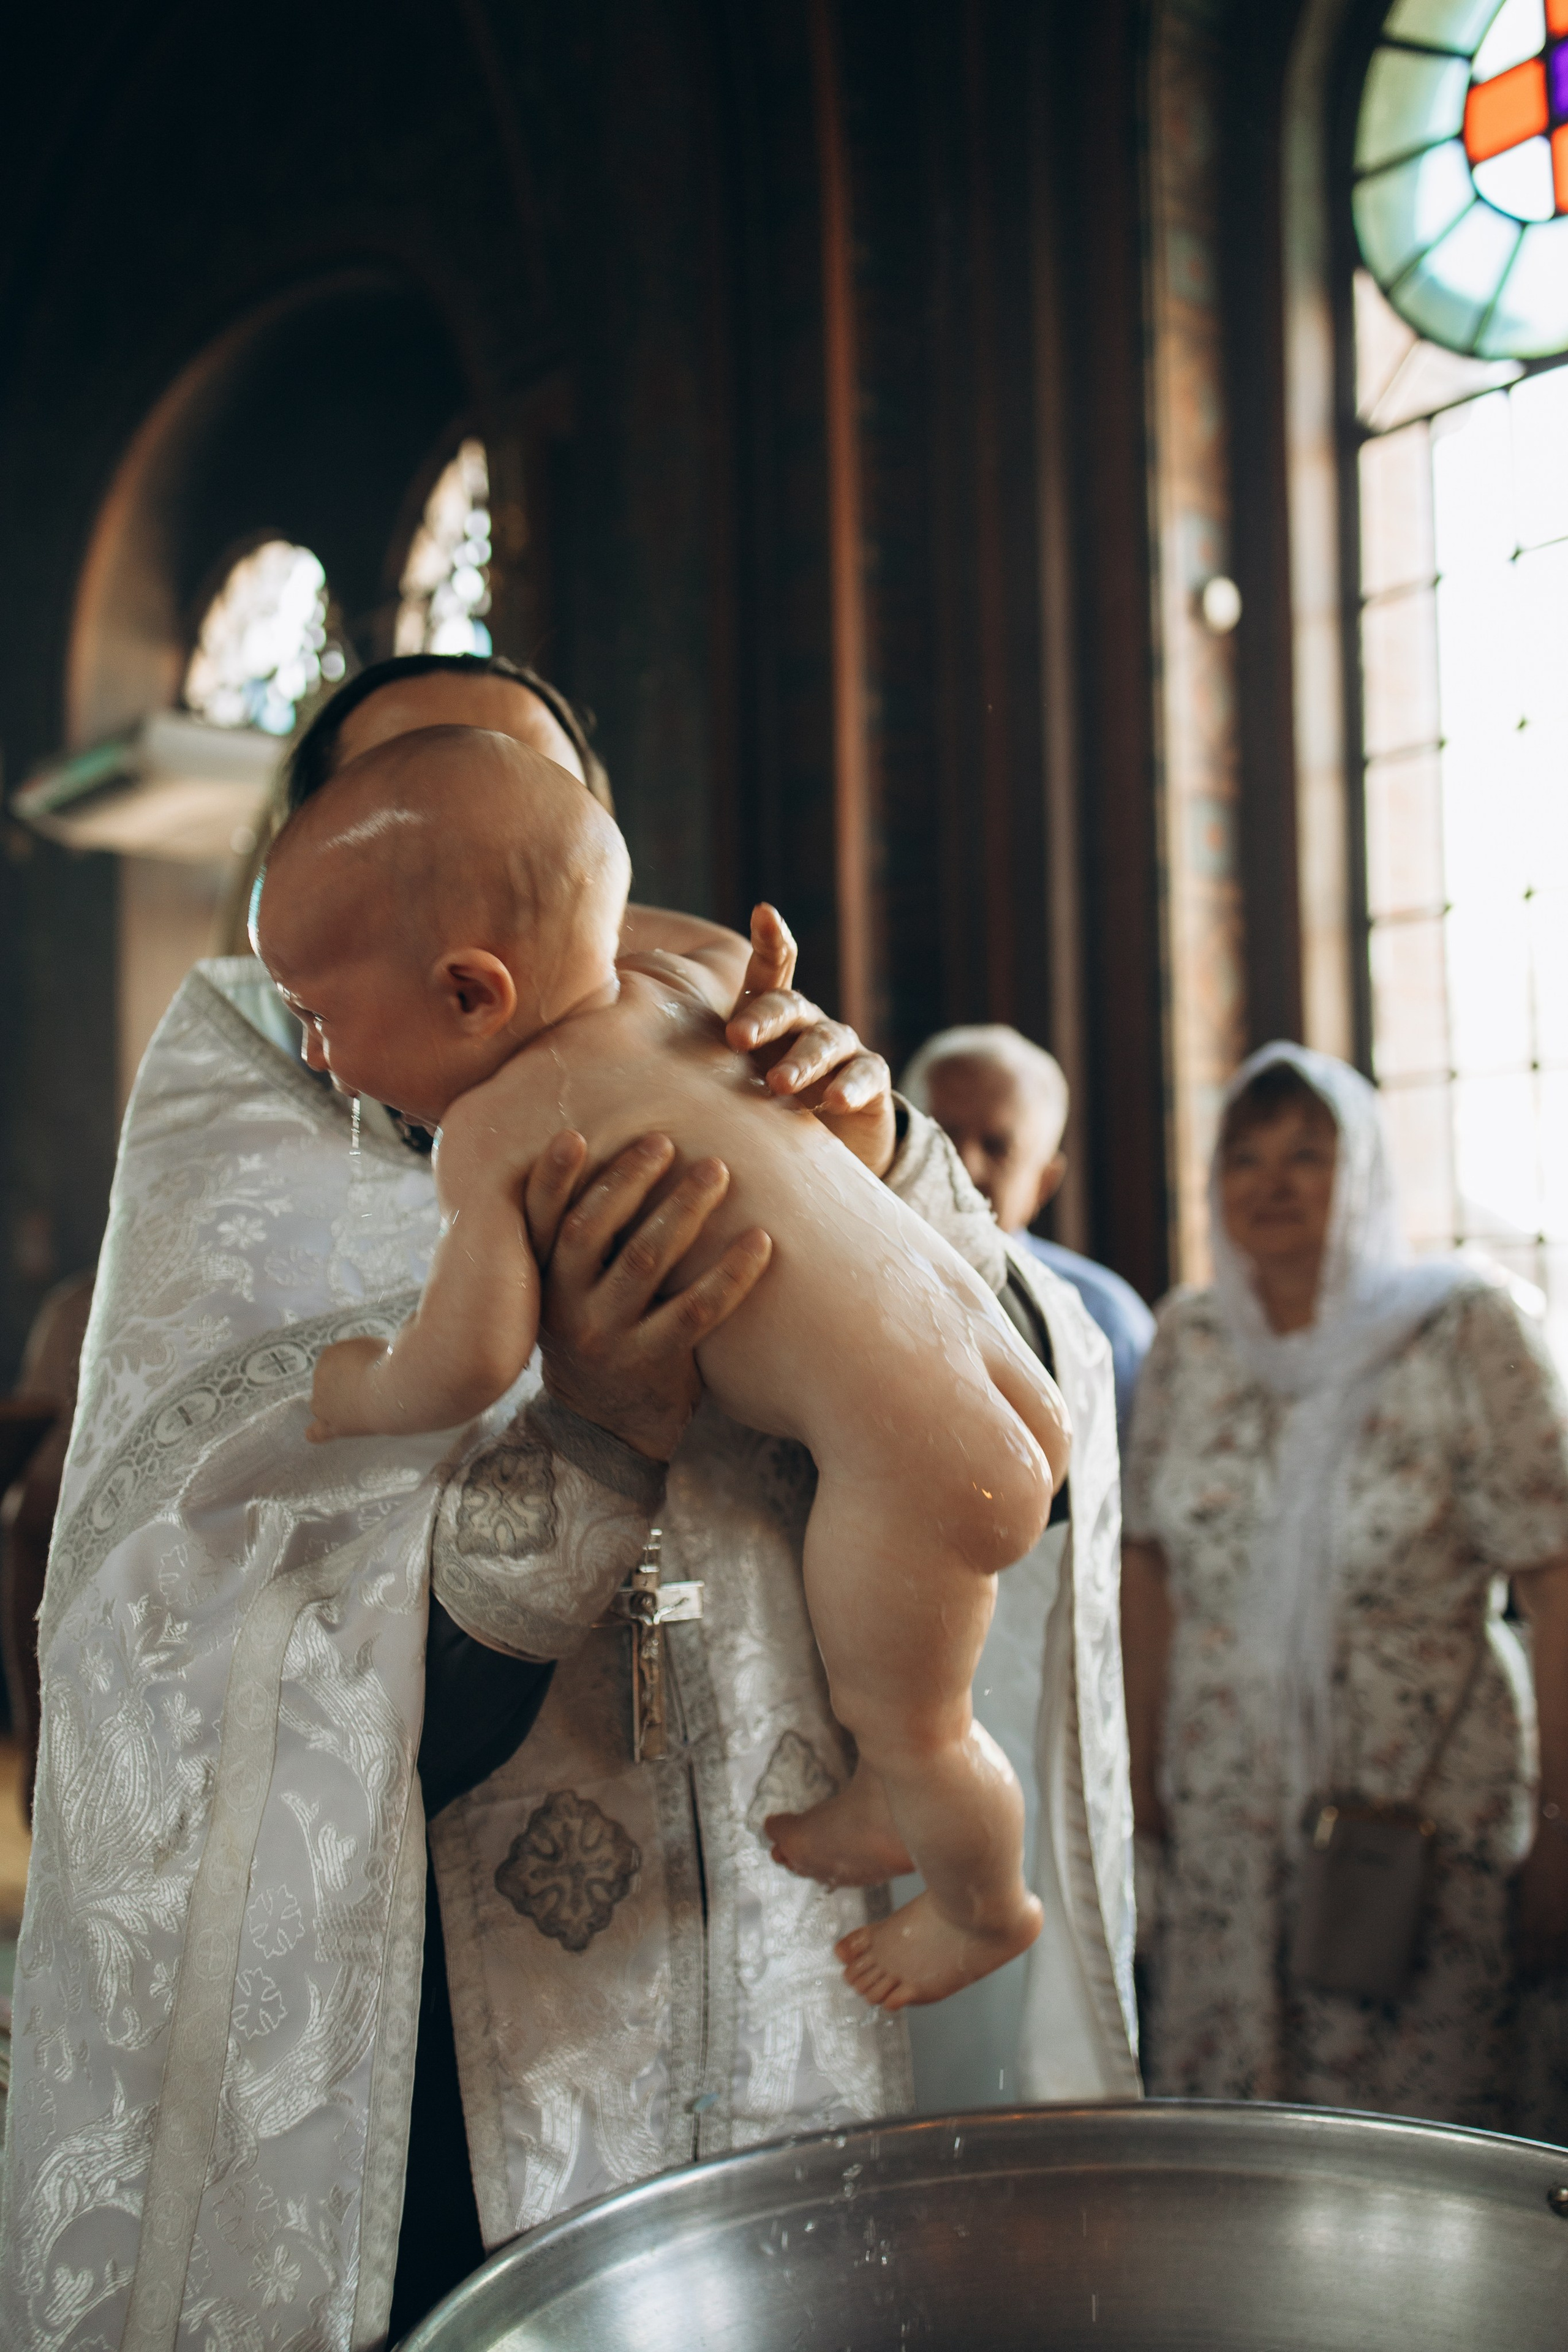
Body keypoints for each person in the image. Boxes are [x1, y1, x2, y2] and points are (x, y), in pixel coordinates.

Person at [1, 653, 1137, 2352]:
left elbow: (1020, 1465)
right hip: (442, 2066)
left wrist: (874, 1151)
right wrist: (593, 1436)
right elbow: (203, 1674)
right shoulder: (249, 1163)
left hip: (789, 1966)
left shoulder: (735, 1057)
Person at [261, 726, 1069, 2011]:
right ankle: (879, 1796)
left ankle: (983, 1908)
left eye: (317, 1015)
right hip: (981, 1376)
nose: (310, 1055)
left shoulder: (490, 1127)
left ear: (470, 993)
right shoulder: (679, 1006)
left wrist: (353, 1386)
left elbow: (465, 1358)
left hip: (921, 1467)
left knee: (922, 1723)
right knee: (902, 1702)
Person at [1121, 1039, 1568, 2132]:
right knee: (1237, 2125)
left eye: (1310, 1155)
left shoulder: (1467, 1327)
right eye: (1245, 1156)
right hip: (1223, 1806)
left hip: (1422, 1807)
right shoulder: (1192, 1337)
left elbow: (1556, 1579)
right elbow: (1147, 1566)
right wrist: (1136, 1785)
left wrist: (1561, 1830)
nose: (1271, 1182)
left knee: (1423, 2129)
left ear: (1367, 1174)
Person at [901, 1026, 1153, 1450]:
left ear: (1044, 1184)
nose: (962, 1165)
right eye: (940, 1133)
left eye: (997, 1147)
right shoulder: (839, 1284)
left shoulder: (1102, 1323)